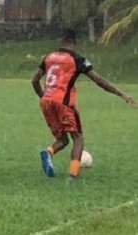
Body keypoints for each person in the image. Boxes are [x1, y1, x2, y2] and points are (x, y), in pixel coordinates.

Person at [32, 29, 134, 180]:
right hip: (64, 103)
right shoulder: (77, 59)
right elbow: (99, 80)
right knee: (78, 138)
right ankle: (72, 174)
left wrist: (44, 96)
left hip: (46, 102)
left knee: (63, 139)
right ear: (74, 41)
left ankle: (48, 152)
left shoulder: (49, 57)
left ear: (62, 40)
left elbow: (34, 79)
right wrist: (121, 94)